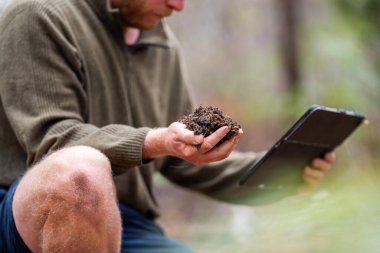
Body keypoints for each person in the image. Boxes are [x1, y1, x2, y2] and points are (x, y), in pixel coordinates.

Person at [0, 0, 335, 252]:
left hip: (128, 222)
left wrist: (277, 174)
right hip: (27, 215)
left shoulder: (160, 40)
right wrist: (156, 140)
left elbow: (184, 161)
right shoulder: (40, 16)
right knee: (80, 169)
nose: (178, 5)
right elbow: (56, 142)